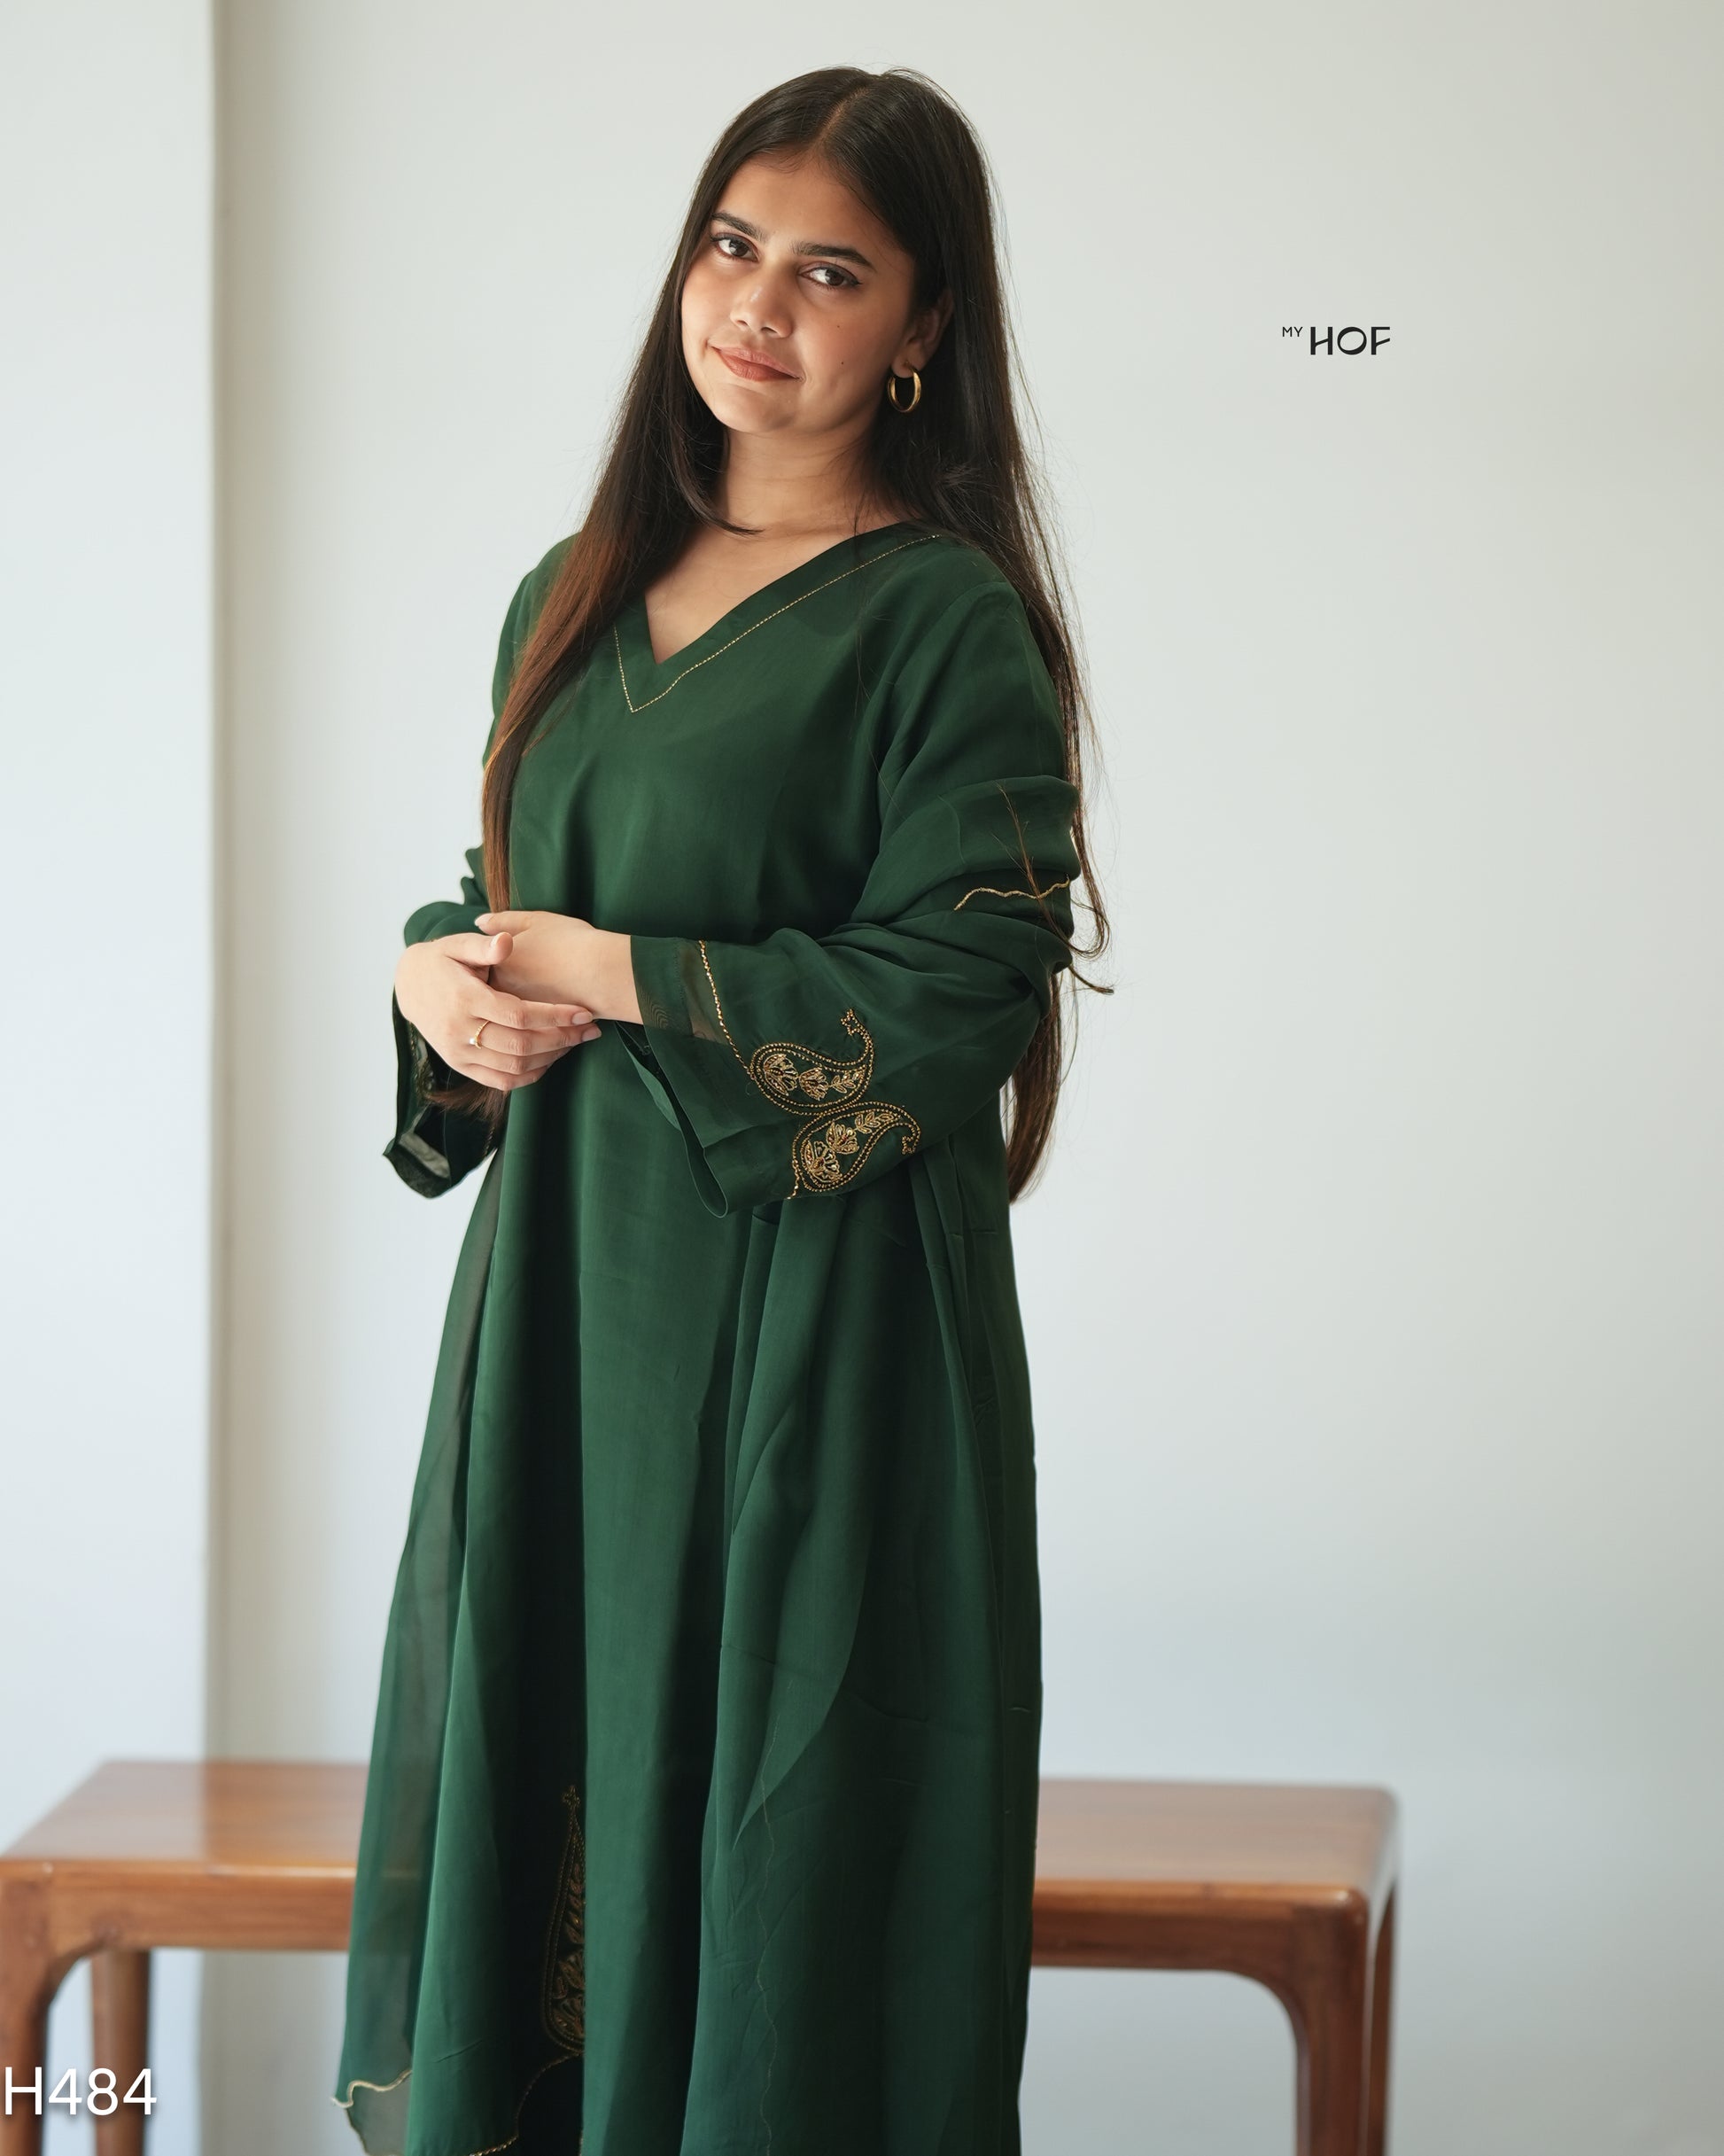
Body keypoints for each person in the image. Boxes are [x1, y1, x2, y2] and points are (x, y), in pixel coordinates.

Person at [333, 63, 1109, 2156]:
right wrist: (433, 968)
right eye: (731, 244)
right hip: (575, 1303)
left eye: (831, 271)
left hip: (818, 1321)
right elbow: (509, 892)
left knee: (782, 1807)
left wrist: (610, 972)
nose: (757, 303)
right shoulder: (571, 586)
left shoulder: (939, 616)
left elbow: (962, 986)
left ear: (921, 325)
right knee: (555, 1744)